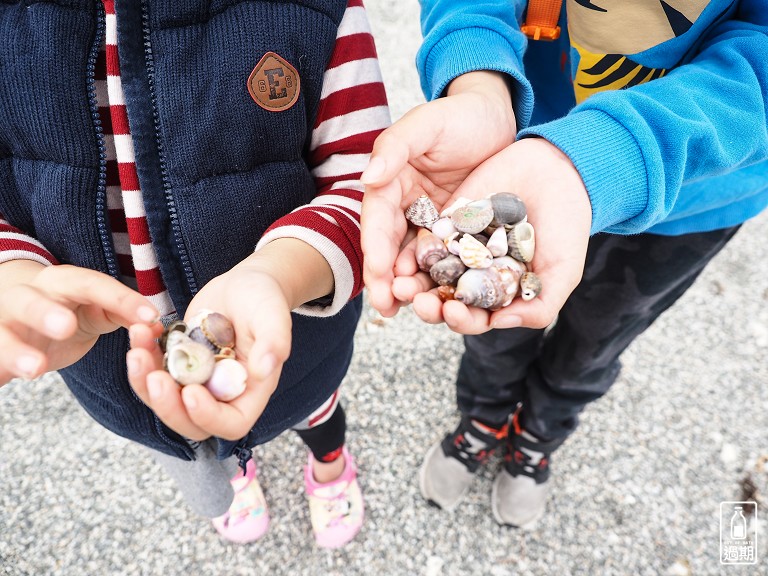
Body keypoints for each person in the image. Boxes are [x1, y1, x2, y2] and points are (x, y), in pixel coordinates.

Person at [360, 0, 768, 528]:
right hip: (512, 146)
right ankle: (483, 416)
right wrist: (477, 76)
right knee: (493, 332)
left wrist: (605, 155)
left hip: (692, 196)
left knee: (599, 337)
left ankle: (541, 432)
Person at [0, 0, 390, 548]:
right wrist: (12, 269)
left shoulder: (319, 11)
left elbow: (367, 179)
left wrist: (278, 275)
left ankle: (329, 463)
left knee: (317, 413)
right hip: (118, 373)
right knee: (183, 444)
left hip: (298, 347)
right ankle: (236, 475)